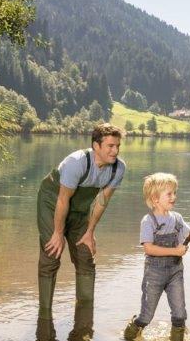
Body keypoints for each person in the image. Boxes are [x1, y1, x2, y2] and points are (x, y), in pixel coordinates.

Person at [37, 123, 125, 316]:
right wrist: (58, 233)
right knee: (52, 252)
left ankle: (84, 313)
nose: (115, 151)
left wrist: (90, 232)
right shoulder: (77, 162)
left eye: (118, 146)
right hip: (53, 202)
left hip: (80, 209)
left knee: (85, 254)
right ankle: (44, 314)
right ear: (96, 146)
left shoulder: (118, 168)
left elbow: (101, 202)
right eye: (110, 146)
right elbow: (63, 200)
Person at [123, 172, 190, 341]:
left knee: (180, 314)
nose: (174, 197)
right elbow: (149, 248)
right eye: (169, 194)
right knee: (146, 316)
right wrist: (176, 251)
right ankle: (129, 337)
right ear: (155, 199)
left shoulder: (177, 218)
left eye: (174, 193)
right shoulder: (148, 221)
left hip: (175, 272)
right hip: (154, 273)